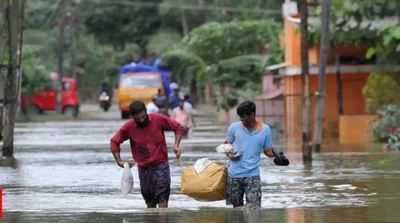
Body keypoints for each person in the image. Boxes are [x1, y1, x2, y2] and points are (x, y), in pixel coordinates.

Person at [110, 101, 185, 208]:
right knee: (150, 203)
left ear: (146, 112)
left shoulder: (158, 119)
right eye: (138, 118)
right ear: (132, 117)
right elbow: (114, 141)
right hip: (143, 169)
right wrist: (119, 161)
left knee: (163, 199)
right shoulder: (129, 127)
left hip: (161, 166)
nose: (141, 120)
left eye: (143, 117)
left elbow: (178, 128)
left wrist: (176, 145)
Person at [224, 101, 275, 208]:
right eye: (240, 118)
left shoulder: (265, 130)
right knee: (237, 210)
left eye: (244, 117)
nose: (242, 120)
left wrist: (277, 157)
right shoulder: (234, 128)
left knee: (254, 209)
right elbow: (226, 145)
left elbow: (268, 151)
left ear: (252, 114)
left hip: (253, 176)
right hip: (234, 176)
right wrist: (230, 154)